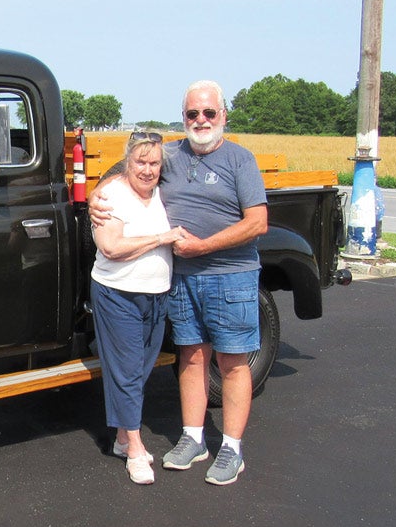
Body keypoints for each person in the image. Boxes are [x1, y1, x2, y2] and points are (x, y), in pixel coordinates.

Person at [91, 81, 267, 486]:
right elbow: (133, 166)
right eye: (192, 114)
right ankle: (193, 438)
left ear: (223, 115)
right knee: (191, 357)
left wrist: (204, 246)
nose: (201, 121)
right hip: (182, 279)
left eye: (209, 113)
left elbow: (258, 223)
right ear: (183, 117)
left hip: (231, 276)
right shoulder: (170, 153)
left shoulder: (240, 160)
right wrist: (99, 195)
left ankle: (232, 449)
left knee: (232, 362)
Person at [89, 132, 184, 485]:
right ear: (126, 163)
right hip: (118, 295)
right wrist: (162, 238)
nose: (147, 170)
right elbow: (111, 247)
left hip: (157, 296)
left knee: (141, 370)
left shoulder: (163, 193)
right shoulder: (112, 196)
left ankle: (120, 437)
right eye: (139, 162)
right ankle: (135, 449)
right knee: (128, 372)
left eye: (153, 163)